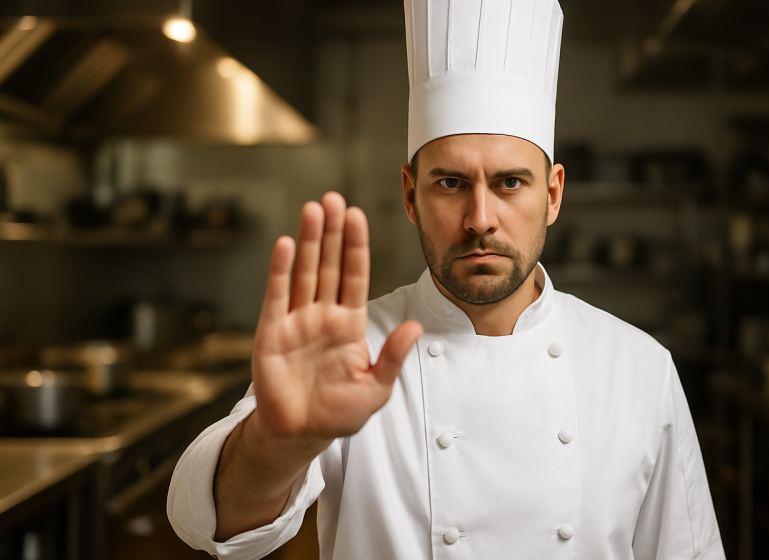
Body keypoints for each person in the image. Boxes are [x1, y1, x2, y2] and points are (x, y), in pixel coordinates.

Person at [167, 0, 725, 558]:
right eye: (452, 183)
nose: (480, 217)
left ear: (553, 195)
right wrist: (277, 443)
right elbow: (212, 524)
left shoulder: (638, 369)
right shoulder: (349, 353)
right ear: (410, 194)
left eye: (509, 182)